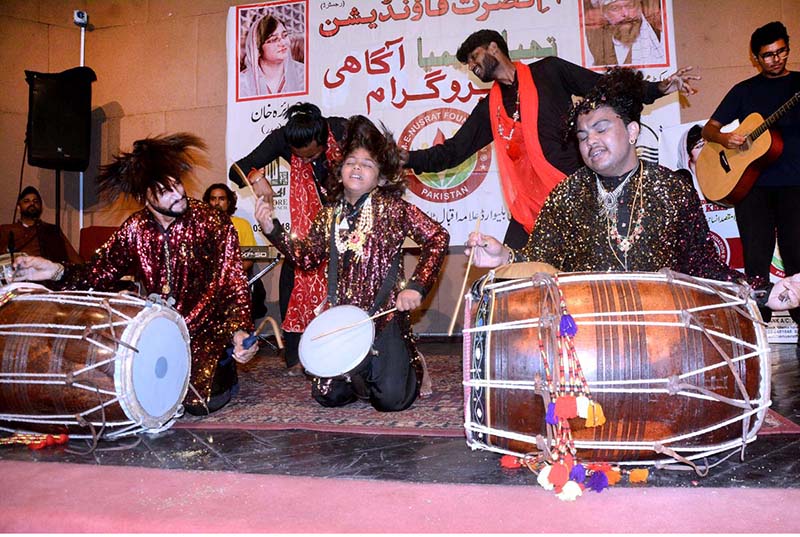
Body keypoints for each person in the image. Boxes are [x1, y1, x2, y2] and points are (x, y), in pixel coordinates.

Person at [464, 68, 800, 316]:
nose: (590, 141)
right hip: (587, 329)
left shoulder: (672, 190)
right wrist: (504, 257)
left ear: (633, 130)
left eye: (600, 129)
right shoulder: (566, 194)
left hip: (662, 328)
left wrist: (763, 291)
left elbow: (702, 265)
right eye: (581, 136)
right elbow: (540, 259)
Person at [12, 133, 259, 415]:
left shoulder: (212, 222)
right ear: (145, 196)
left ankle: (222, 364)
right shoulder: (135, 229)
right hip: (156, 331)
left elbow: (234, 281)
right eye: (165, 190)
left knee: (198, 402)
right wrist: (54, 270)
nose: (178, 194)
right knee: (130, 391)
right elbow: (97, 273)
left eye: (177, 183)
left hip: (207, 332)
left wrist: (240, 329)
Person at [403, 29, 698, 249]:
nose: (472, 66)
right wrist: (405, 158)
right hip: (528, 209)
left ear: (494, 47)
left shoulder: (550, 71)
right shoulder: (488, 108)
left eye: (473, 57)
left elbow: (605, 88)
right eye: (468, 63)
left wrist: (658, 88)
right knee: (509, 281)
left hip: (576, 194)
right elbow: (453, 151)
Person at [254, 115, 449, 411]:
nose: (357, 167)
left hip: (383, 317)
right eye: (350, 162)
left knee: (391, 400)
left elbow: (438, 237)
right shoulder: (328, 214)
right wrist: (273, 231)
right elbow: (306, 258)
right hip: (342, 318)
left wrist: (416, 287)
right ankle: (365, 372)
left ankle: (411, 362)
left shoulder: (394, 209)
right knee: (327, 397)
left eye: (367, 163)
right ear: (340, 170)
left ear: (381, 177)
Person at [230, 102, 347, 376]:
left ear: (323, 137)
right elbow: (236, 169)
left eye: (313, 155)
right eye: (300, 157)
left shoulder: (343, 129)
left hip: (348, 217)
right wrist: (256, 177)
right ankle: (295, 355)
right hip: (310, 224)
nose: (307, 161)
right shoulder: (283, 138)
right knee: (294, 272)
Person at [701, 21, 800, 342]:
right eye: (768, 55)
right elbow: (709, 130)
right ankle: (756, 335)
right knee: (756, 260)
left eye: (781, 51)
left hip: (794, 185)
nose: (776, 59)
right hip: (751, 186)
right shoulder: (744, 90)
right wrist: (727, 138)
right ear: (755, 58)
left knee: (798, 258)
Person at [203, 183, 268, 321]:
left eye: (221, 199)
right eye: (213, 199)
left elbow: (249, 258)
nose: (216, 203)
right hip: (206, 284)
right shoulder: (200, 226)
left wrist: (230, 276)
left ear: (229, 201)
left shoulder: (242, 225)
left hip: (235, 282)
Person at [0, 186, 82, 265]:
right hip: (17, 275)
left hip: (47, 275)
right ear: (18, 207)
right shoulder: (6, 230)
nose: (32, 203)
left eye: (36, 201)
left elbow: (75, 259)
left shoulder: (51, 230)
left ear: (41, 207)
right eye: (26, 201)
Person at [239, 13, 304, 98]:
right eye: (273, 40)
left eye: (284, 36)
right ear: (257, 49)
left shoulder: (303, 73)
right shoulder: (242, 82)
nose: (283, 43)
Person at [585, 0, 666, 67]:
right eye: (615, 8)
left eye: (630, 6)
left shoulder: (660, 38)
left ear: (638, 8)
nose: (625, 14)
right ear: (605, 13)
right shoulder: (593, 44)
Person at [675, 124, 706, 199]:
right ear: (688, 154)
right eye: (699, 146)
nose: (704, 149)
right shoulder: (680, 182)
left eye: (706, 144)